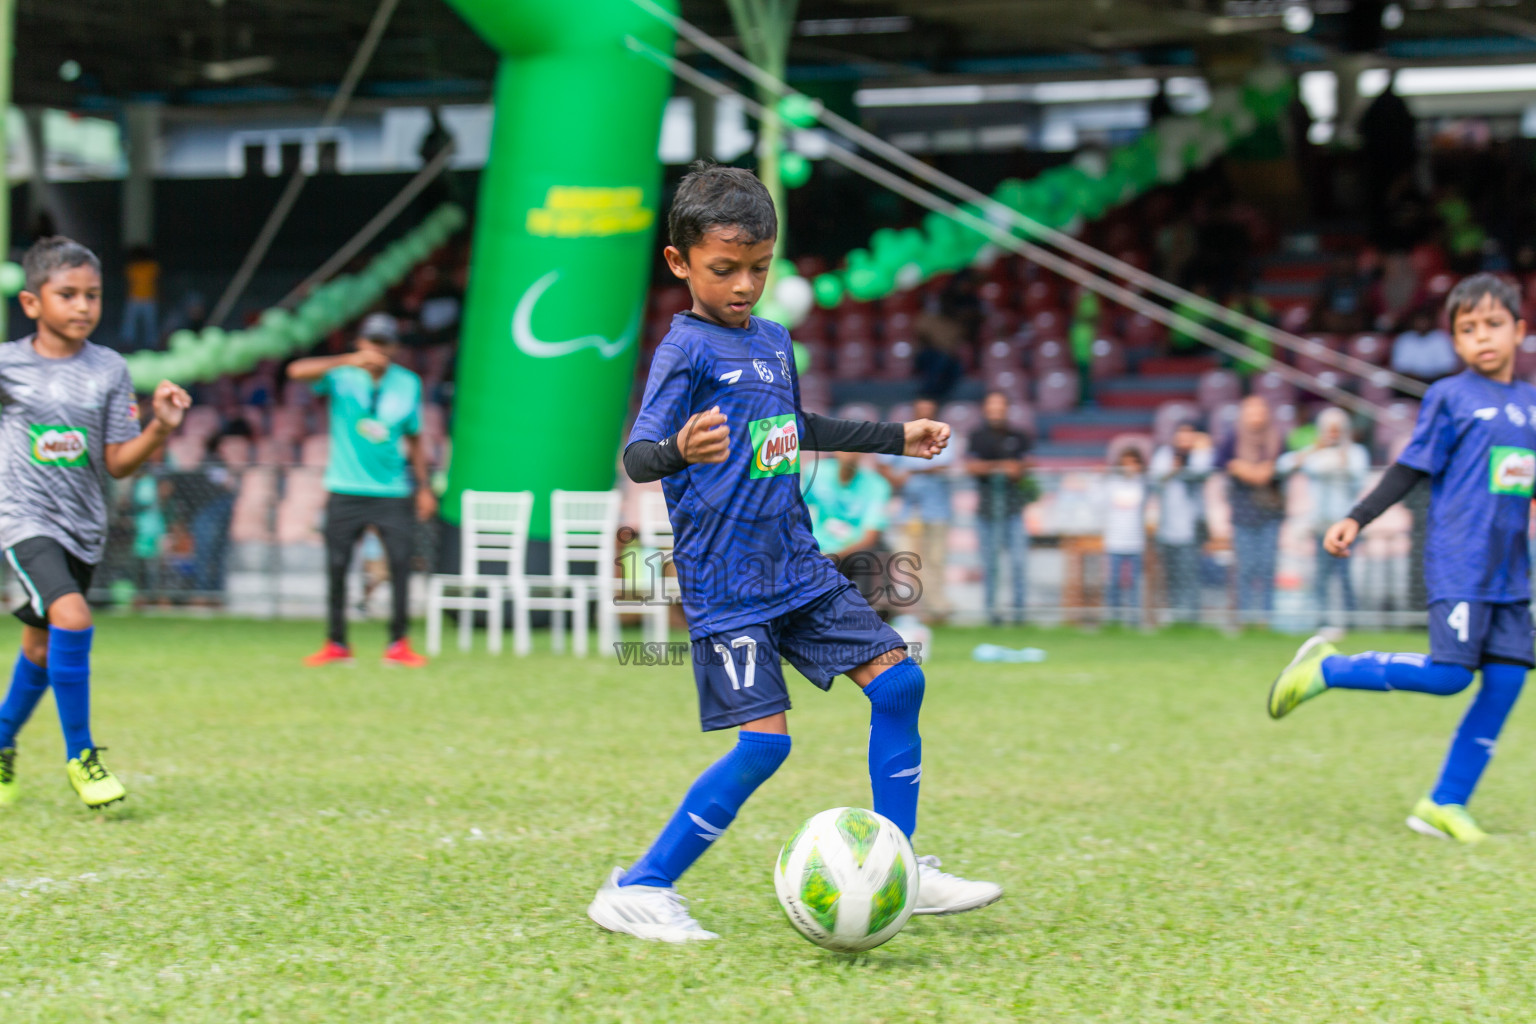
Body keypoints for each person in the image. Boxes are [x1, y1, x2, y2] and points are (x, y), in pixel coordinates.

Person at [588, 162, 1000, 942]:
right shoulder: (686, 351)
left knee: (900, 684)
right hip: (728, 580)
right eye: (724, 269)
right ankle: (638, 887)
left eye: (759, 267)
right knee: (764, 746)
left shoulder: (774, 342)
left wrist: (895, 439)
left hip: (798, 565)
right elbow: (640, 455)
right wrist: (678, 446)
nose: (744, 284)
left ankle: (901, 863)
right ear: (679, 264)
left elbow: (796, 431)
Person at [1267, 274, 1536, 843]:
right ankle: (1327, 669)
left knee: (1509, 680)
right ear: (1455, 341)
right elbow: (1412, 466)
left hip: (1512, 571)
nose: (1481, 337)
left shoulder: (1531, 404)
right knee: (1449, 678)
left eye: (1493, 325)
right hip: (1461, 561)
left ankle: (1444, 804)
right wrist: (1357, 517)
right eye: (1467, 329)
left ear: (1520, 330)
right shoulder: (1450, 396)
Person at [0, 236, 191, 808]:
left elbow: (117, 462)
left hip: (84, 529)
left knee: (40, 648)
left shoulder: (109, 369)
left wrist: (159, 427)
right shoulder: (8, 364)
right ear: (33, 303)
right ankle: (82, 757)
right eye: (68, 295)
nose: (83, 306)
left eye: (93, 296)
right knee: (73, 615)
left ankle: (2, 740)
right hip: (22, 519)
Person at [288, 313, 436, 668]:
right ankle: (337, 643)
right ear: (361, 343)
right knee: (337, 566)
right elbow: (296, 371)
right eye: (372, 342)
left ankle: (398, 644)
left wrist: (424, 487)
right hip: (345, 487)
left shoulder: (408, 384)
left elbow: (414, 438)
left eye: (385, 343)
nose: (378, 350)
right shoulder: (341, 375)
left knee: (401, 565)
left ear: (394, 348)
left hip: (393, 491)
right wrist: (346, 360)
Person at [1277, 408, 1369, 620]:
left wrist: (1343, 457)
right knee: (1321, 576)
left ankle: (1351, 619)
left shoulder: (1355, 453)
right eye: (1330, 430)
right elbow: (1283, 466)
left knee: (1346, 576)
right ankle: (1321, 619)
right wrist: (1314, 450)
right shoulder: (1315, 453)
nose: (1333, 434)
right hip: (1321, 525)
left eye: (1338, 430)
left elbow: (1358, 478)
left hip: (1347, 526)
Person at [878, 397, 955, 622]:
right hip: (906, 511)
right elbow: (882, 462)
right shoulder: (904, 433)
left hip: (936, 510)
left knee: (935, 559)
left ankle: (935, 610)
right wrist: (894, 477)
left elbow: (943, 463)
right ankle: (909, 612)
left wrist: (909, 472)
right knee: (906, 561)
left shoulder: (946, 433)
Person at [1217, 396, 1285, 626]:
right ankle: (1243, 619)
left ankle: (1268, 619)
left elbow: (1284, 465)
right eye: (1251, 411)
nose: (1255, 416)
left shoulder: (1276, 438)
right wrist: (1243, 469)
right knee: (1245, 568)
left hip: (1270, 513)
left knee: (1267, 567)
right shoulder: (1233, 438)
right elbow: (1220, 462)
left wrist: (1264, 471)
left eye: (1259, 410)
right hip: (1242, 515)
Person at [967, 390, 1032, 626]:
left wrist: (1003, 467)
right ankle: (992, 614)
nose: (996, 410)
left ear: (1006, 408)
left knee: (1018, 563)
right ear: (985, 409)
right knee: (990, 565)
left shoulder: (1019, 435)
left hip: (1014, 509)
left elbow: (1026, 465)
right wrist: (1003, 466)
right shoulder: (977, 436)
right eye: (991, 405)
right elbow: (972, 467)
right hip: (986, 511)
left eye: (1000, 405)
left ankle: (1019, 615)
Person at [803, 450, 892, 608]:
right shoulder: (814, 472)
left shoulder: (876, 485)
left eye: (856, 448)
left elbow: (870, 536)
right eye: (846, 446)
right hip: (815, 548)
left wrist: (833, 555)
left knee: (867, 556)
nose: (850, 452)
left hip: (851, 551)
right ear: (836, 449)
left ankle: (864, 613)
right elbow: (795, 512)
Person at [1149, 422, 1213, 623]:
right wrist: (1173, 471)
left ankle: (1191, 617)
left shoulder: (1200, 455)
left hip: (1192, 528)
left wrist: (1202, 446)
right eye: (1181, 436)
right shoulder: (1165, 455)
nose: (1185, 441)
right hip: (1168, 526)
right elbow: (1155, 479)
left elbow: (1202, 471)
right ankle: (1174, 615)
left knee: (1190, 573)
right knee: (1171, 574)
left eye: (1189, 436)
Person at [1102, 446, 1147, 626]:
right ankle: (1114, 618)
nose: (1129, 467)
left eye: (1133, 462)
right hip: (1115, 539)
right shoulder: (1111, 484)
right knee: (1113, 582)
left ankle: (1135, 619)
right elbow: (1098, 502)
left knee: (1135, 583)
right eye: (1125, 462)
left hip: (1135, 540)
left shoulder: (1143, 483)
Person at [1391, 307, 1460, 382]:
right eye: (1418, 321)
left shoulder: (1441, 338)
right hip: (1410, 384)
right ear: (1412, 322)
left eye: (1424, 321)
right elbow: (1400, 367)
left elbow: (1448, 367)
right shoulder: (1404, 339)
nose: (1421, 324)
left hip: (1435, 382)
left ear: (1431, 322)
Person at [119, 245, 160, 350]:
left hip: (149, 298)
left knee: (150, 323)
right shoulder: (132, 267)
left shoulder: (152, 266)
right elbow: (127, 283)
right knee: (130, 323)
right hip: (134, 298)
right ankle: (127, 343)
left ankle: (152, 345)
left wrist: (159, 296)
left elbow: (157, 282)